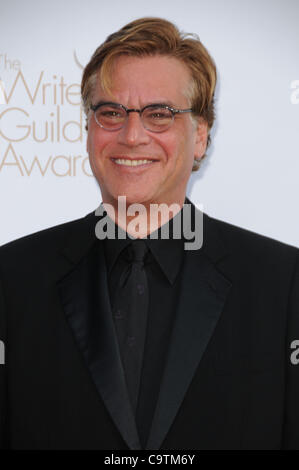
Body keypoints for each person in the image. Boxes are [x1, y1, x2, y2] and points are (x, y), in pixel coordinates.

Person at [0, 17, 298, 450]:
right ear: (88, 131)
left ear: (200, 137)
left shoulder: (282, 282)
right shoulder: (12, 279)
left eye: (160, 114)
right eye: (111, 113)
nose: (132, 135)